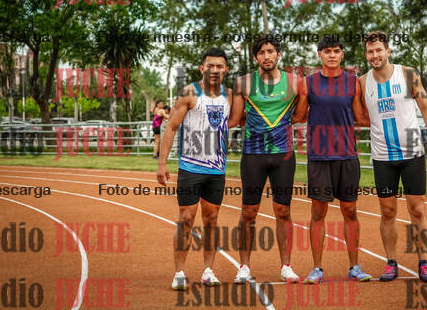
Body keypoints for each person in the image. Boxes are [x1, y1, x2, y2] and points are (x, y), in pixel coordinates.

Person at [358, 31, 427, 283]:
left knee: (417, 209)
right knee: (387, 212)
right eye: (370, 51)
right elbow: (359, 116)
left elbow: (425, 107)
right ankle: (391, 263)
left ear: (388, 51)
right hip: (382, 157)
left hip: (411, 153)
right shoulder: (362, 82)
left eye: (378, 50)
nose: (375, 55)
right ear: (366, 54)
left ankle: (423, 263)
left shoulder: (408, 74)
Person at [293, 35, 372, 284]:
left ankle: (355, 267)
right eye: (327, 51)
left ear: (342, 54)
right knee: (318, 213)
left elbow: (361, 118)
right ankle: (317, 268)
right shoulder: (308, 83)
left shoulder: (353, 82)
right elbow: (299, 116)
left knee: (350, 210)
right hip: (319, 156)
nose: (332, 55)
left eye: (336, 51)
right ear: (319, 55)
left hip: (347, 155)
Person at [156, 48, 232, 290]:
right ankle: (179, 272)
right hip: (190, 167)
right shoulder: (189, 93)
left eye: (219, 66)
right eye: (210, 65)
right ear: (202, 68)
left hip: (217, 169)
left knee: (211, 219)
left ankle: (208, 271)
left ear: (226, 70)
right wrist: (162, 163)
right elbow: (171, 127)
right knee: (186, 219)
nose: (214, 70)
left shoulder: (230, 96)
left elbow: (231, 123)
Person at [228, 34, 302, 284]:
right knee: (249, 212)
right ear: (255, 57)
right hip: (253, 155)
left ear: (279, 54)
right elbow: (236, 119)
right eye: (261, 53)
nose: (267, 56)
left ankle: (286, 266)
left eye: (271, 51)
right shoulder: (244, 83)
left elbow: (300, 114)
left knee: (283, 211)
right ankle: (244, 266)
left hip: (283, 155)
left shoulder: (296, 82)